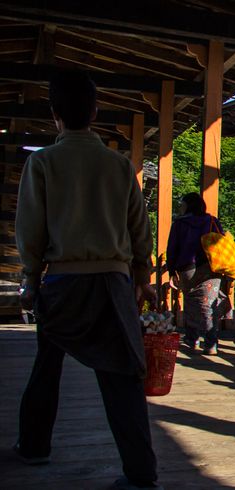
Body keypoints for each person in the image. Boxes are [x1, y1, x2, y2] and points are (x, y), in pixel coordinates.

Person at [14, 71, 159, 489]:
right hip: (113, 285)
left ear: (54, 115)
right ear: (95, 112)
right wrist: (142, 275)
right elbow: (139, 229)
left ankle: (35, 446)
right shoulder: (119, 167)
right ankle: (141, 474)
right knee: (123, 378)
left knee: (47, 365)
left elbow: (32, 231)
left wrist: (29, 279)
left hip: (62, 284)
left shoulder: (41, 163)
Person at [166, 192, 230, 355]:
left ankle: (192, 339)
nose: (180, 207)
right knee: (210, 303)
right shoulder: (212, 221)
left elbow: (172, 248)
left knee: (191, 301)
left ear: (188, 206)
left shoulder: (179, 224)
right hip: (210, 266)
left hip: (188, 267)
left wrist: (172, 270)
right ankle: (211, 342)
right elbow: (221, 242)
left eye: (182, 204)